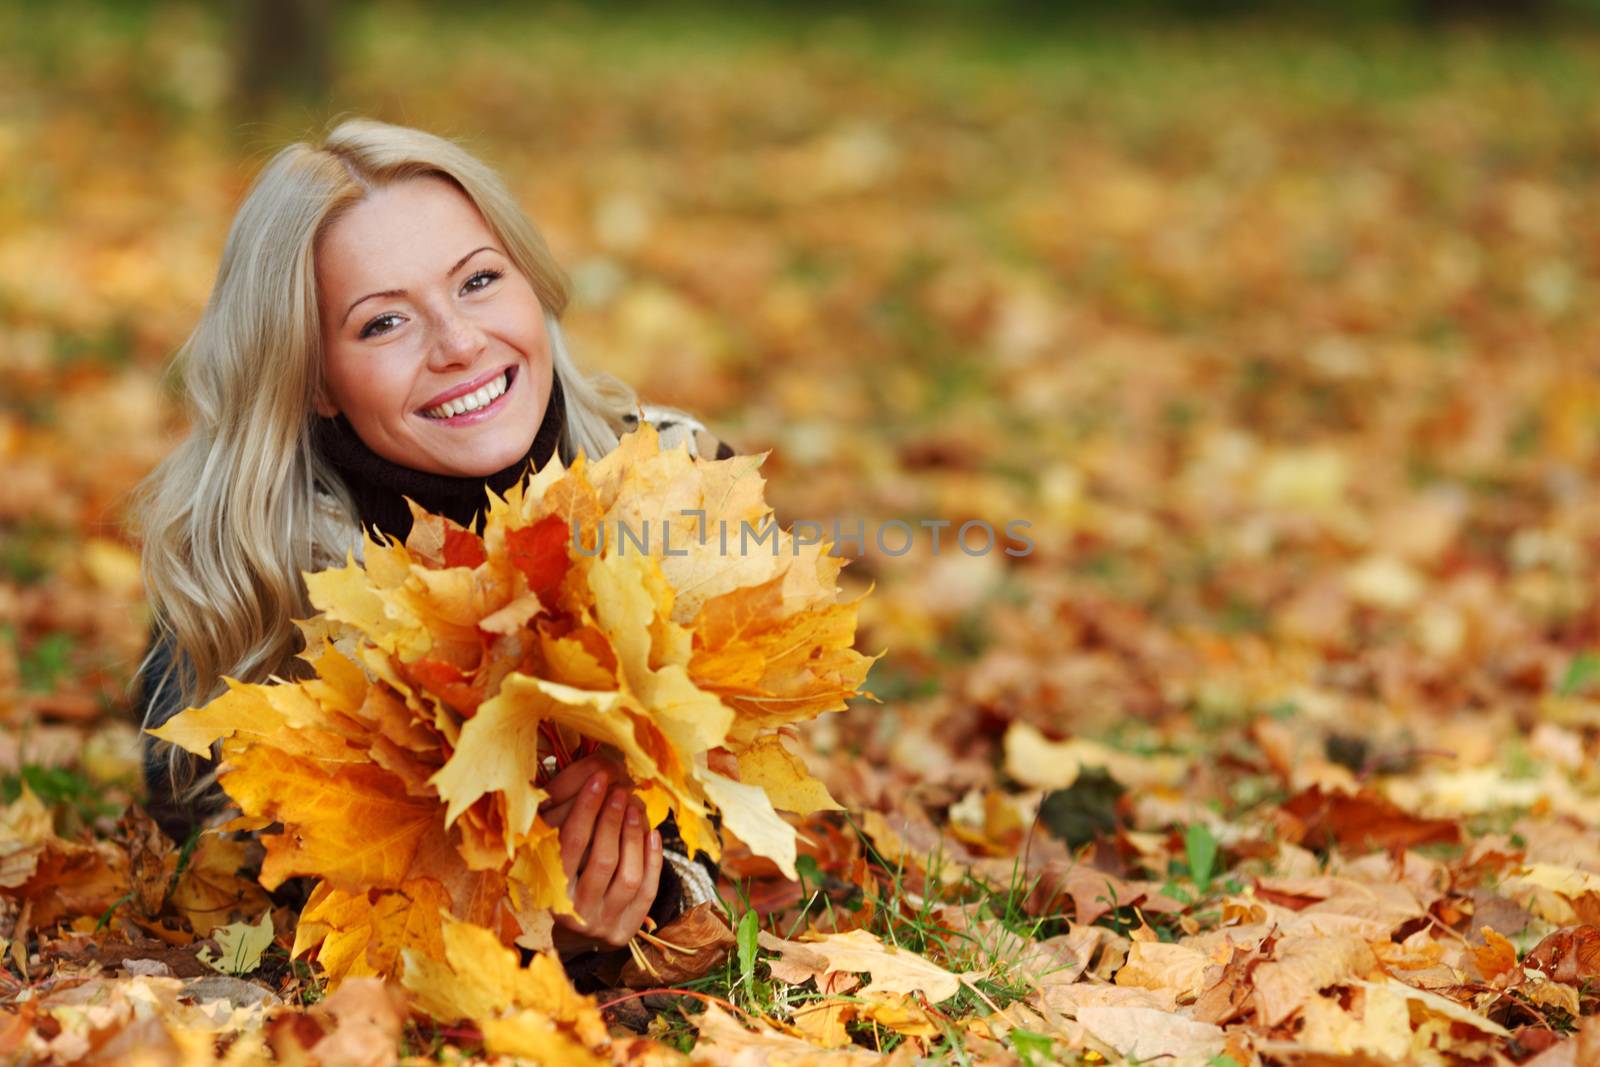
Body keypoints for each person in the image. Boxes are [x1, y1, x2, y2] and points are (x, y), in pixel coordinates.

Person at [130, 116, 732, 983]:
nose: (458, 344)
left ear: (530, 282)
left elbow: (752, 816)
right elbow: (242, 885)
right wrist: (501, 917)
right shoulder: (254, 582)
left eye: (479, 281)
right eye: (383, 324)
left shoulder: (672, 484)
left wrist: (658, 889)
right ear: (312, 378)